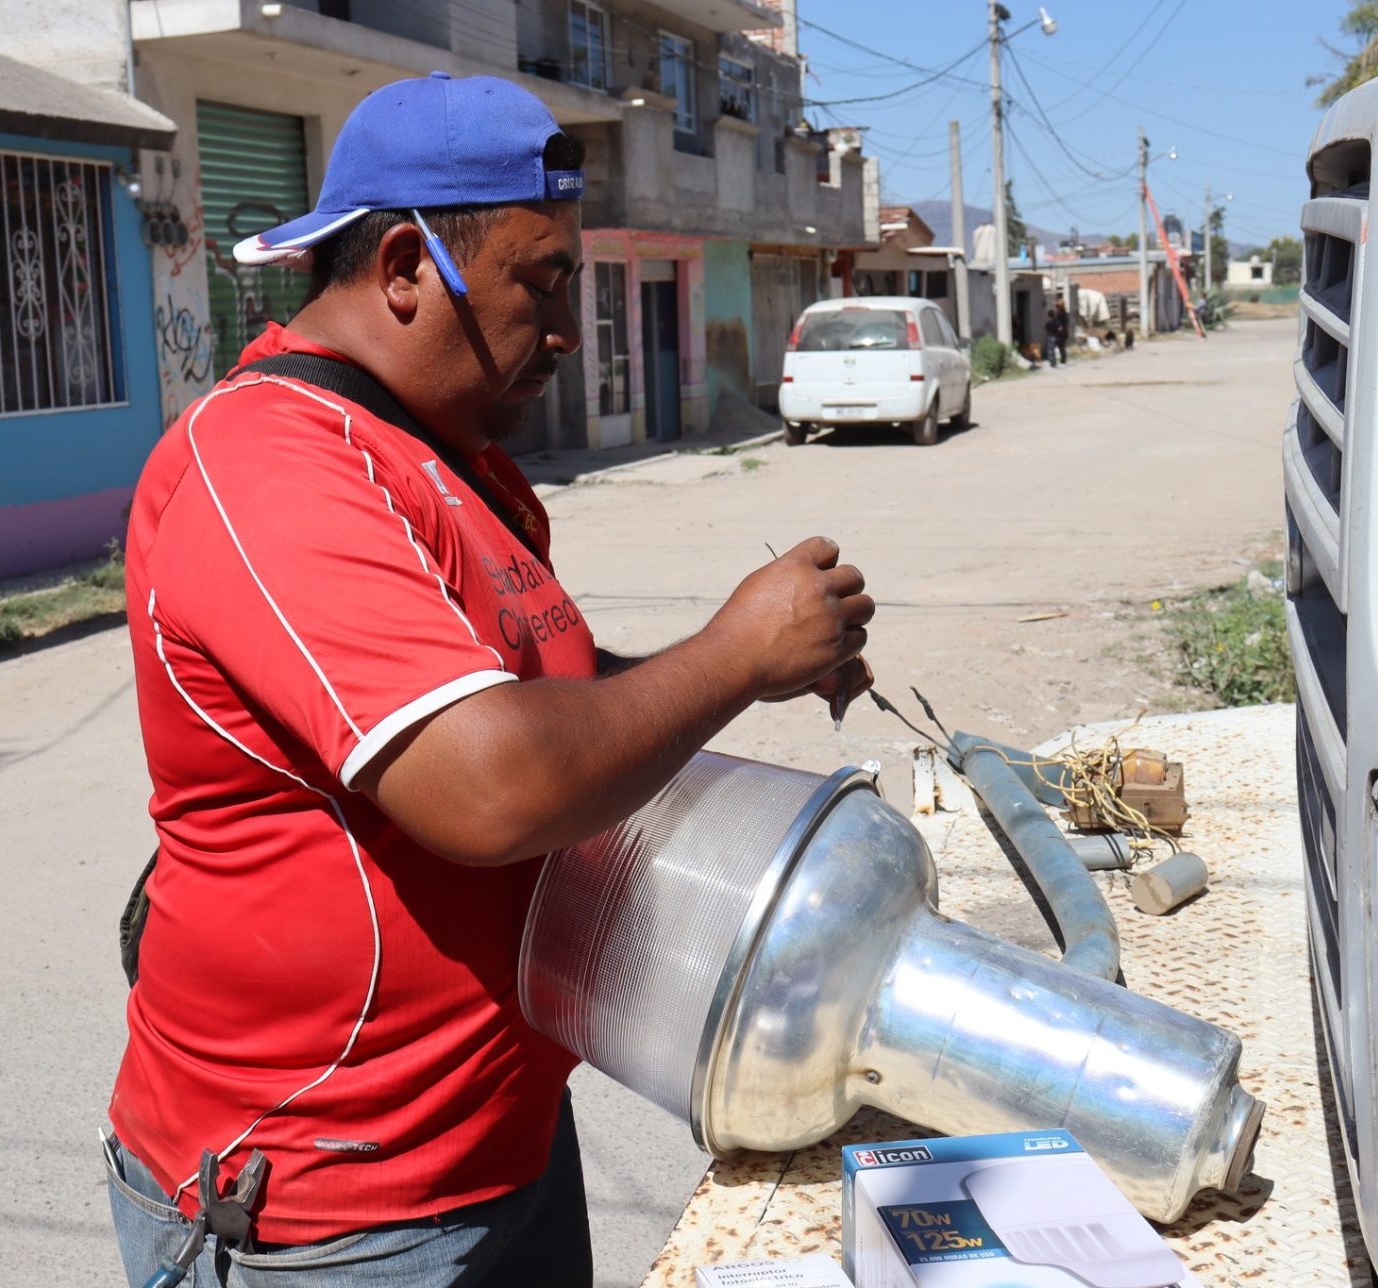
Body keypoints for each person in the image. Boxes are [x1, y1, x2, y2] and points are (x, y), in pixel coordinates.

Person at [103, 73, 874, 1286]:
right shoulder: (266, 468)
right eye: (543, 281)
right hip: (326, 1208)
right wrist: (731, 654)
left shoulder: (451, 460)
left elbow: (539, 688)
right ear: (407, 266)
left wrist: (738, 670)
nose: (570, 329)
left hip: (492, 1141)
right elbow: (494, 787)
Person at [1053, 298, 1071, 364]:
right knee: (1061, 347)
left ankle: (1062, 360)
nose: (1056, 308)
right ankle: (1062, 360)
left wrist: (1058, 329)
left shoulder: (1061, 314)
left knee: (1061, 347)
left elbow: (1060, 325)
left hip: (1060, 334)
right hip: (1062, 333)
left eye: (1057, 306)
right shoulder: (1063, 313)